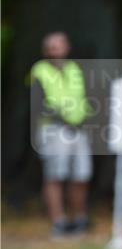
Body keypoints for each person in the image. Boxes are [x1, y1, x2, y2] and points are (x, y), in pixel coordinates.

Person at [30, 32, 93, 238]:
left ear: (67, 47)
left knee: (81, 175)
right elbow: (38, 104)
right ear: (45, 51)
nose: (55, 51)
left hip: (79, 130)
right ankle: (59, 221)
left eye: (58, 46)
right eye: (51, 47)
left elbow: (83, 97)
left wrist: (84, 119)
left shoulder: (74, 69)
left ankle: (78, 218)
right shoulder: (39, 71)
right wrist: (65, 120)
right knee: (55, 175)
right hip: (54, 130)